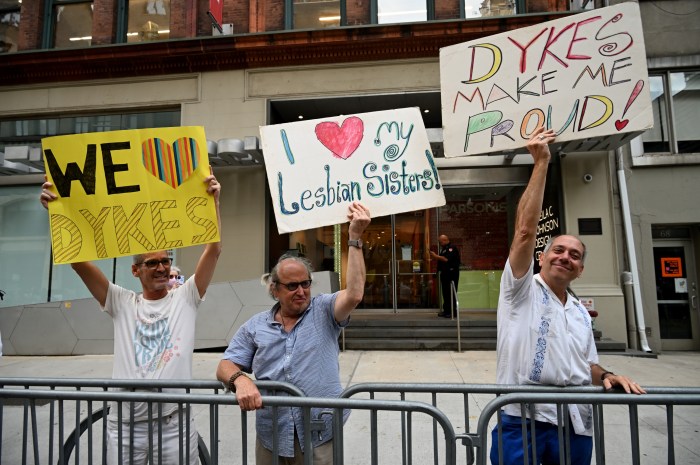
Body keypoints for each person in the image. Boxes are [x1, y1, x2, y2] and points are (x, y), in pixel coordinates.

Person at [40, 170, 222, 465]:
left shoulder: (186, 297)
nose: (162, 268)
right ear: (136, 271)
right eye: (152, 263)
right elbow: (78, 263)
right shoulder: (121, 301)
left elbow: (213, 250)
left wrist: (214, 202)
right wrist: (57, 213)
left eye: (166, 261)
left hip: (174, 424)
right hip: (125, 425)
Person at [490, 127, 645, 465]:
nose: (565, 256)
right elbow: (524, 231)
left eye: (574, 255)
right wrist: (541, 163)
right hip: (521, 419)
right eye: (557, 250)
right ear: (541, 258)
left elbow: (585, 363)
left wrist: (605, 376)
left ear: (580, 270)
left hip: (575, 423)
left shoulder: (577, 310)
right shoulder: (520, 290)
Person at [216, 201, 371, 465]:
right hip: (272, 436)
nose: (301, 291)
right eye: (292, 286)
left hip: (320, 434)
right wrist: (240, 380)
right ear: (274, 289)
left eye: (305, 284)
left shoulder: (324, 310)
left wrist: (354, 239)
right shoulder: (255, 326)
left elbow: (354, 294)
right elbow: (225, 364)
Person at [430, 234, 460, 318]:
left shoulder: (452, 248)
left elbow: (446, 259)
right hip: (445, 274)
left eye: (440, 241)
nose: (439, 243)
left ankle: (452, 312)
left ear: (445, 240)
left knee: (451, 293)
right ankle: (446, 310)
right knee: (445, 293)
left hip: (451, 274)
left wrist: (436, 256)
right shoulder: (444, 249)